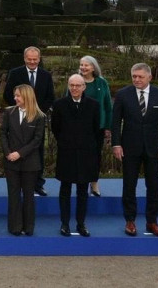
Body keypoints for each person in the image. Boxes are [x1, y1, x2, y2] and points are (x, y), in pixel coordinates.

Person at [111, 63, 158, 237]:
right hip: (129, 148)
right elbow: (115, 122)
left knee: (154, 186)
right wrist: (116, 144)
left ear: (149, 77)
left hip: (154, 148)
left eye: (140, 77)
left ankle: (152, 222)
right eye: (134, 76)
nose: (137, 80)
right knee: (129, 185)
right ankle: (130, 220)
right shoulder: (123, 95)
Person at [53, 75, 103, 237]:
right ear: (68, 86)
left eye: (78, 85)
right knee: (65, 190)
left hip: (86, 154)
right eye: (72, 85)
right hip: (66, 153)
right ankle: (65, 224)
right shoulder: (59, 105)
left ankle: (81, 224)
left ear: (84, 87)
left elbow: (97, 130)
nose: (74, 88)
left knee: (83, 191)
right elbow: (56, 128)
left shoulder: (94, 105)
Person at [2, 46, 55, 197]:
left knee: (38, 151)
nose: (32, 62)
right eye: (29, 59)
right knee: (18, 150)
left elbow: (50, 97)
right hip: (18, 121)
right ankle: (18, 184)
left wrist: (36, 113)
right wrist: (20, 110)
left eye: (35, 59)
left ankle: (38, 184)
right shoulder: (15, 73)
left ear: (39, 59)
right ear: (25, 58)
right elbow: (7, 95)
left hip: (37, 120)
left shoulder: (46, 75)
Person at [1, 84, 46, 236]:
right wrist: (8, 153)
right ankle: (15, 226)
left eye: (18, 95)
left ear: (26, 96)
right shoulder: (9, 112)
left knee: (28, 195)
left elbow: (37, 140)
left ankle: (28, 227)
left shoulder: (39, 116)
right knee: (13, 195)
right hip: (11, 162)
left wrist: (19, 153)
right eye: (15, 95)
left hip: (30, 162)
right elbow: (3, 134)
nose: (15, 98)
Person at [79, 56, 113, 197]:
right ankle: (81, 183)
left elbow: (108, 106)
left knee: (95, 156)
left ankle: (94, 183)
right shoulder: (76, 82)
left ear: (93, 67)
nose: (83, 67)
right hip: (80, 128)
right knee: (81, 156)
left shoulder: (102, 83)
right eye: (81, 65)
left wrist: (108, 126)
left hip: (98, 127)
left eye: (87, 65)